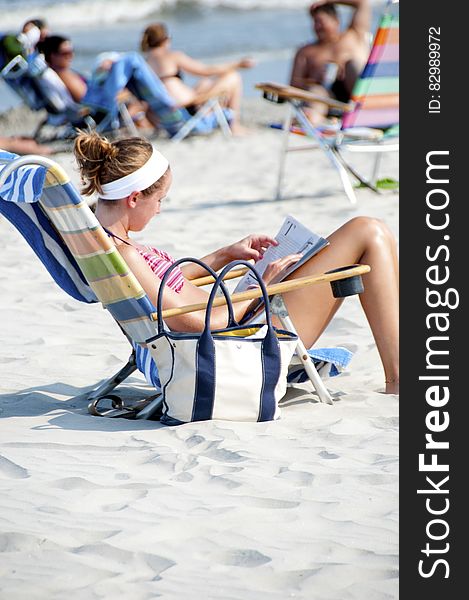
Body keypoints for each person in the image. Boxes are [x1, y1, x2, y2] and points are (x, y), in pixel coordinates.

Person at [73, 131, 399, 393]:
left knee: (353, 236)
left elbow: (163, 285)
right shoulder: (127, 254)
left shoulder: (113, 246)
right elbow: (196, 323)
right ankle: (399, 379)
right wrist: (263, 287)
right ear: (133, 198)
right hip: (238, 343)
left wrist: (226, 255)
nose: (160, 209)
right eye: (159, 200)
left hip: (236, 324)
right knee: (368, 231)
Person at [39, 35, 187, 135]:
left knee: (123, 66)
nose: (70, 56)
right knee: (131, 60)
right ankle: (167, 104)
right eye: (65, 53)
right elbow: (86, 99)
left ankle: (165, 106)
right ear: (53, 56)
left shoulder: (64, 73)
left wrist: (101, 74)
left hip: (102, 101)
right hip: (102, 107)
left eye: (71, 51)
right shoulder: (64, 75)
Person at [141, 22, 254, 135]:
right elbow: (207, 71)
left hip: (167, 118)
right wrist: (238, 64)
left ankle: (223, 112)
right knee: (233, 77)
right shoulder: (172, 56)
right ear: (165, 39)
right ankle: (234, 125)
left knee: (204, 83)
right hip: (189, 114)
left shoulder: (144, 64)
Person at [290, 0, 371, 125]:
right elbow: (293, 84)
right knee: (316, 90)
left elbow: (362, 3)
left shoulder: (354, 34)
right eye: (315, 22)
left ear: (336, 21)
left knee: (351, 64)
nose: (317, 26)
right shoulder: (306, 51)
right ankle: (313, 119)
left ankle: (367, 111)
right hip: (327, 98)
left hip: (357, 93)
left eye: (321, 21)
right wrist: (313, 80)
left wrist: (327, 0)